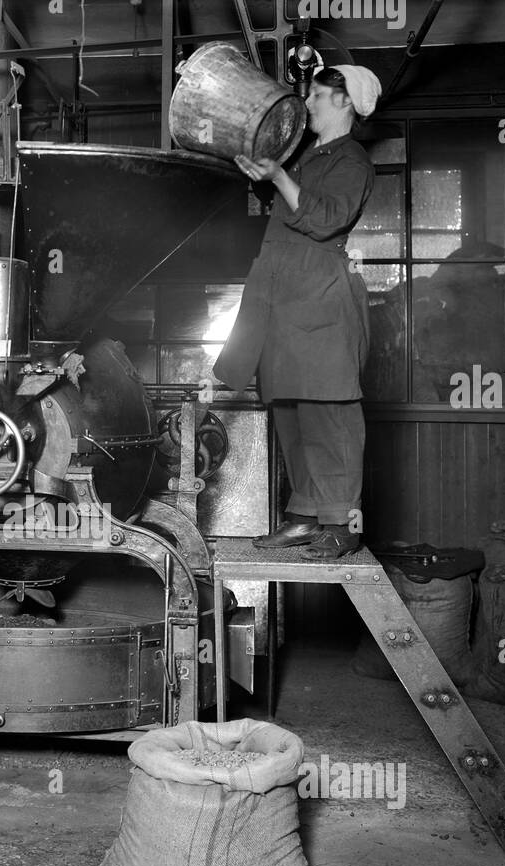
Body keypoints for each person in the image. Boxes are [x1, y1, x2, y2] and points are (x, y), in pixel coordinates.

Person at [213, 64, 380, 558]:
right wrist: (268, 176)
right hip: (282, 301)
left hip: (321, 301)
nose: (307, 103)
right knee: (291, 412)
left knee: (331, 417)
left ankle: (344, 526)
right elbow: (289, 209)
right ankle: (307, 515)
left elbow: (326, 220)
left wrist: (281, 176)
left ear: (345, 101)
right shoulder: (309, 156)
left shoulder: (352, 161)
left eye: (317, 95)